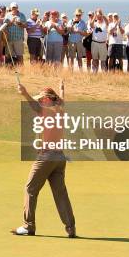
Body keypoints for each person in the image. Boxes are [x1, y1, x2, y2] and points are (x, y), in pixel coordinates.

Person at [11, 80, 76, 238]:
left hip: (46, 157)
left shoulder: (46, 111)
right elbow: (61, 100)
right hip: (60, 158)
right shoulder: (60, 110)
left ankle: (28, 226)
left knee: (30, 189)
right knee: (60, 193)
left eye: (42, 98)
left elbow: (34, 106)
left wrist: (24, 92)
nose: (40, 100)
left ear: (48, 99)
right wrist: (61, 89)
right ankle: (70, 227)